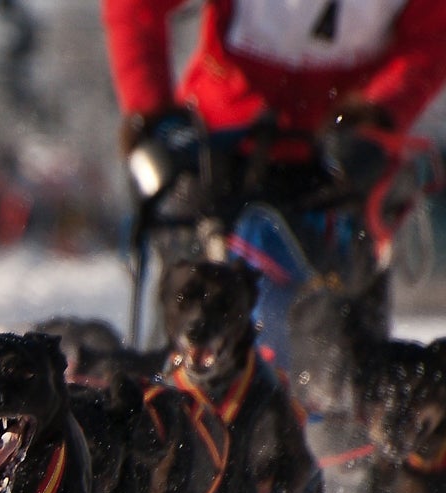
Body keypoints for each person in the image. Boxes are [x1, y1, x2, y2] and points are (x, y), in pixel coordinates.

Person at [104, 0, 446, 344]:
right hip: (218, 149)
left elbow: (432, 36)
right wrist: (152, 113)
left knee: (346, 325)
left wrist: (378, 113)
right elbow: (135, 7)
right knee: (193, 311)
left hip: (336, 162)